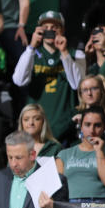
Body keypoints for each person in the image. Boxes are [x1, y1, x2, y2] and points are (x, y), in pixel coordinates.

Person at [12, 11, 79, 142]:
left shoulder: (74, 53)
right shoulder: (31, 54)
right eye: (45, 28)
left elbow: (77, 84)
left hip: (64, 124)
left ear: (62, 30)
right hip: (35, 126)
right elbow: (19, 80)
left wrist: (64, 52)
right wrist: (31, 47)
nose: (50, 31)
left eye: (54, 28)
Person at [0, 130, 69, 208]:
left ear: (32, 155)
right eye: (10, 157)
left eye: (18, 158)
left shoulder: (54, 180)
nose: (13, 163)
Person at [56, 108, 105, 201]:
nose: (92, 130)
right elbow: (58, 189)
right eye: (87, 125)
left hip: (102, 203)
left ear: (104, 128)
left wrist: (99, 151)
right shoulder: (64, 154)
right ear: (81, 126)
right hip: (71, 205)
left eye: (97, 125)